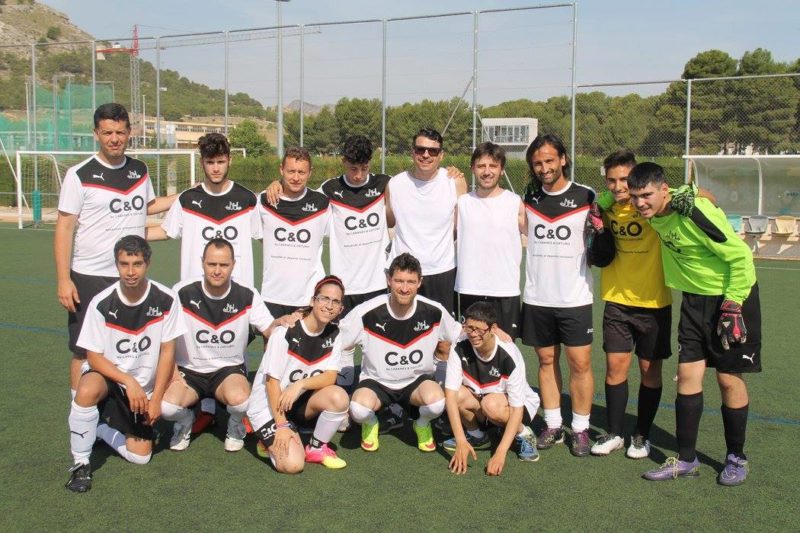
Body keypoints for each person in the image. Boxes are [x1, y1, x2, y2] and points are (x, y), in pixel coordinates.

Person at [627, 163, 761, 486]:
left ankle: (736, 457)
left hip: (730, 298)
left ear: (664, 190)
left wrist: (732, 304)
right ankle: (687, 459)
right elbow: (615, 193)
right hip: (693, 301)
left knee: (728, 379)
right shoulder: (659, 207)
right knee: (687, 375)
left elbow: (741, 256)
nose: (640, 203)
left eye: (646, 195)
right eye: (635, 197)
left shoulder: (693, 212)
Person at [55, 103, 175, 399]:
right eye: (107, 132)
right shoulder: (79, 174)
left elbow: (149, 206)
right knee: (84, 351)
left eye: (120, 132)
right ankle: (80, 413)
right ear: (96, 133)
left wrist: (187, 195)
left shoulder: (139, 170)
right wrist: (64, 279)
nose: (114, 139)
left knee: (128, 346)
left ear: (129, 133)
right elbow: (65, 228)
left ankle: (120, 410)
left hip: (131, 276)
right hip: (90, 276)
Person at [149, 132, 261, 435]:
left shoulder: (247, 200)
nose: (216, 168)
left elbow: (267, 235)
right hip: (195, 298)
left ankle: (239, 412)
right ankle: (204, 409)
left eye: (221, 161)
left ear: (229, 161)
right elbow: (165, 231)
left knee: (235, 353)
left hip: (236, 296)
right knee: (195, 356)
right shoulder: (187, 200)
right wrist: (121, 231)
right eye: (210, 162)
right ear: (202, 163)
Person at [264, 135, 392, 390]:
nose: (358, 175)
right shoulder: (328, 190)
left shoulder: (384, 184)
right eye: (353, 168)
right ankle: (341, 392)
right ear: (343, 162)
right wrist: (276, 184)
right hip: (344, 285)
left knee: (379, 342)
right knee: (341, 341)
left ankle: (381, 391)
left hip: (377, 281)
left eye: (364, 168)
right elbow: (298, 193)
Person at [65, 236, 185, 493]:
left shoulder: (167, 299)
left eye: (137, 264)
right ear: (116, 264)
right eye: (124, 264)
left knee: (141, 457)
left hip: (145, 389)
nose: (130, 272)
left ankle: (100, 428)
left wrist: (156, 399)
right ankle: (80, 463)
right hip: (111, 378)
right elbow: (93, 356)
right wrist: (128, 381)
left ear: (148, 263)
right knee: (86, 389)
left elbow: (167, 351)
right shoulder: (102, 302)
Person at [162, 238, 298, 453]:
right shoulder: (181, 292)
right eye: (211, 264)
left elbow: (268, 329)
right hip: (189, 370)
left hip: (228, 370)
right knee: (167, 408)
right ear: (202, 263)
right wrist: (173, 371)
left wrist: (281, 322)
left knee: (242, 402)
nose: (217, 271)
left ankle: (235, 425)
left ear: (233, 264)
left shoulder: (246, 293)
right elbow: (164, 335)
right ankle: (185, 419)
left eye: (224, 265)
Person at [587, 150, 671, 459]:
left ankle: (642, 436)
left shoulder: (653, 205)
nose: (618, 186)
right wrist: (600, 205)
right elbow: (593, 205)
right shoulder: (606, 208)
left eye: (624, 179)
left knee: (650, 370)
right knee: (615, 369)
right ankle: (614, 433)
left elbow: (704, 196)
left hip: (654, 301)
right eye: (612, 180)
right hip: (617, 300)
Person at [520, 134, 596, 457]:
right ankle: (553, 424)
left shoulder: (586, 195)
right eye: (538, 163)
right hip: (538, 297)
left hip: (575, 298)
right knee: (546, 360)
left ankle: (580, 428)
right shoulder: (528, 197)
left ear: (563, 159)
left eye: (550, 160)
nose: (544, 167)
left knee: (580, 363)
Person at [339, 253, 461, 453]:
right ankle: (371, 422)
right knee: (358, 410)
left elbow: (459, 335)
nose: (404, 288)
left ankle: (421, 424)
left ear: (419, 282)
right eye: (399, 281)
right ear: (389, 280)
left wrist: (493, 333)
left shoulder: (434, 311)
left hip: (416, 382)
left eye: (411, 282)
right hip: (377, 382)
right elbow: (338, 340)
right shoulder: (367, 312)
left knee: (437, 403)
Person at [247, 276, 350, 472]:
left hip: (296, 401)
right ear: (312, 301)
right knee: (293, 465)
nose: (329, 306)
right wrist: (281, 425)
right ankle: (265, 439)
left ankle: (316, 448)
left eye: (335, 302)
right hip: (268, 405)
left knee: (339, 397)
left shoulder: (335, 334)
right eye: (324, 298)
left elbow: (330, 377)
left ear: (340, 309)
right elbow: (271, 383)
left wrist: (300, 385)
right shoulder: (286, 332)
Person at [443, 302, 541, 476]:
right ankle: (476, 436)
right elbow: (450, 396)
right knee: (457, 394)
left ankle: (524, 434)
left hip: (515, 406)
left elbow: (517, 409)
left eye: (479, 330)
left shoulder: (509, 354)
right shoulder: (459, 345)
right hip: (481, 400)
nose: (473, 334)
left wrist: (500, 454)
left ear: (493, 329)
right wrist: (460, 440)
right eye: (469, 328)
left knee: (491, 404)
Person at [385, 128, 467, 318]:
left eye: (433, 151)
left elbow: (461, 226)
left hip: (442, 272)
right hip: (404, 274)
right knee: (401, 329)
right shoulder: (395, 184)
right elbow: (389, 221)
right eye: (420, 149)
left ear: (441, 155)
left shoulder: (455, 182)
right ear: (412, 152)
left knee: (441, 333)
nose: (426, 155)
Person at [456, 142, 525, 339]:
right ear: (473, 169)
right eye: (481, 166)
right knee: (471, 346)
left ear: (502, 170)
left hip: (505, 290)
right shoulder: (462, 203)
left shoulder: (515, 202)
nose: (487, 172)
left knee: (505, 347)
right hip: (470, 288)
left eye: (493, 166)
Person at [257, 146, 330, 319]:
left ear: (310, 173)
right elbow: (261, 237)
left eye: (301, 172)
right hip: (272, 295)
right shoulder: (263, 201)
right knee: (271, 338)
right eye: (291, 171)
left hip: (309, 297)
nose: (296, 178)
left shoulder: (322, 203)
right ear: (281, 170)